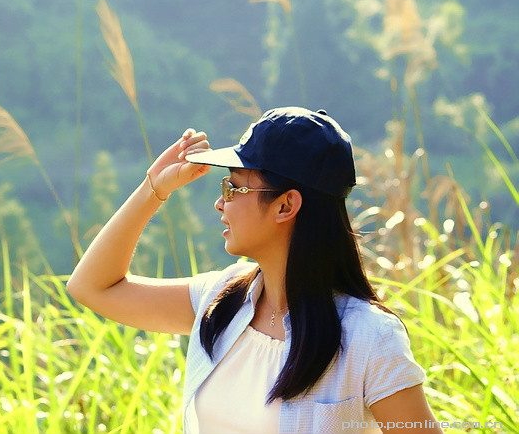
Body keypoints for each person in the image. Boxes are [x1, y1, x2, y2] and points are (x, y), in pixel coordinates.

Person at [67, 107, 442, 433]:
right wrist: (154, 187)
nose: (219, 203)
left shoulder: (368, 337)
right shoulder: (220, 300)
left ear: (285, 206)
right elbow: (92, 287)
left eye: (233, 188)